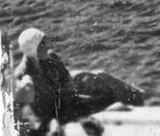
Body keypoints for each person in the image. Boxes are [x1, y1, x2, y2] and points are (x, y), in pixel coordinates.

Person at [13, 28, 146, 136]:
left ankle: (139, 98)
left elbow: (67, 81)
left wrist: (72, 96)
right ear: (33, 49)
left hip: (67, 100)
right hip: (52, 115)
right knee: (105, 100)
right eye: (43, 43)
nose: (47, 45)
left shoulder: (51, 57)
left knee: (100, 77)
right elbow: (27, 112)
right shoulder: (22, 76)